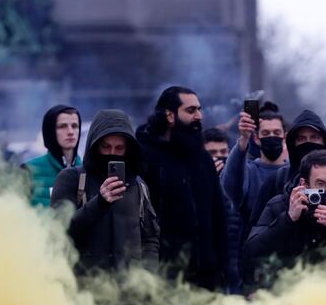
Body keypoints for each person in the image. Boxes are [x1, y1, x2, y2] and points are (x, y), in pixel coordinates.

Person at [136, 85, 228, 291]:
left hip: (206, 276)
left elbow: (218, 215)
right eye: (191, 110)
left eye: (199, 109)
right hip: (163, 276)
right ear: (169, 115)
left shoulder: (203, 159)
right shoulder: (144, 156)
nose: (199, 116)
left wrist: (221, 266)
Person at [243, 149, 326, 291]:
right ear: (304, 183)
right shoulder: (280, 205)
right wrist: (288, 219)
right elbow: (251, 252)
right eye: (320, 184)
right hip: (287, 292)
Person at [51, 109, 159, 274]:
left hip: (128, 290)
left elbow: (150, 239)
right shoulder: (72, 178)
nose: (112, 153)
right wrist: (99, 202)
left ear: (128, 150)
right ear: (95, 146)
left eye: (119, 148)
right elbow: (59, 229)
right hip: (84, 288)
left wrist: (147, 275)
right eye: (106, 147)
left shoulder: (138, 186)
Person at [221, 101, 288, 292]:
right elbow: (231, 188)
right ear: (257, 139)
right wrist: (242, 140)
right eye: (266, 134)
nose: (272, 137)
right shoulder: (249, 171)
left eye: (277, 133)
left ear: (285, 136)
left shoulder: (296, 173)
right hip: (250, 266)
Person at [248, 109, 326, 230]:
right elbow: (254, 236)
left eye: (314, 137)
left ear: (325, 141)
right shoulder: (277, 180)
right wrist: (287, 218)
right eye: (302, 139)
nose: (308, 143)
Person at [23, 105, 82, 207]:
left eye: (75, 126)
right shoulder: (29, 170)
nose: (70, 132)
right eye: (63, 126)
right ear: (50, 131)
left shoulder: (88, 170)